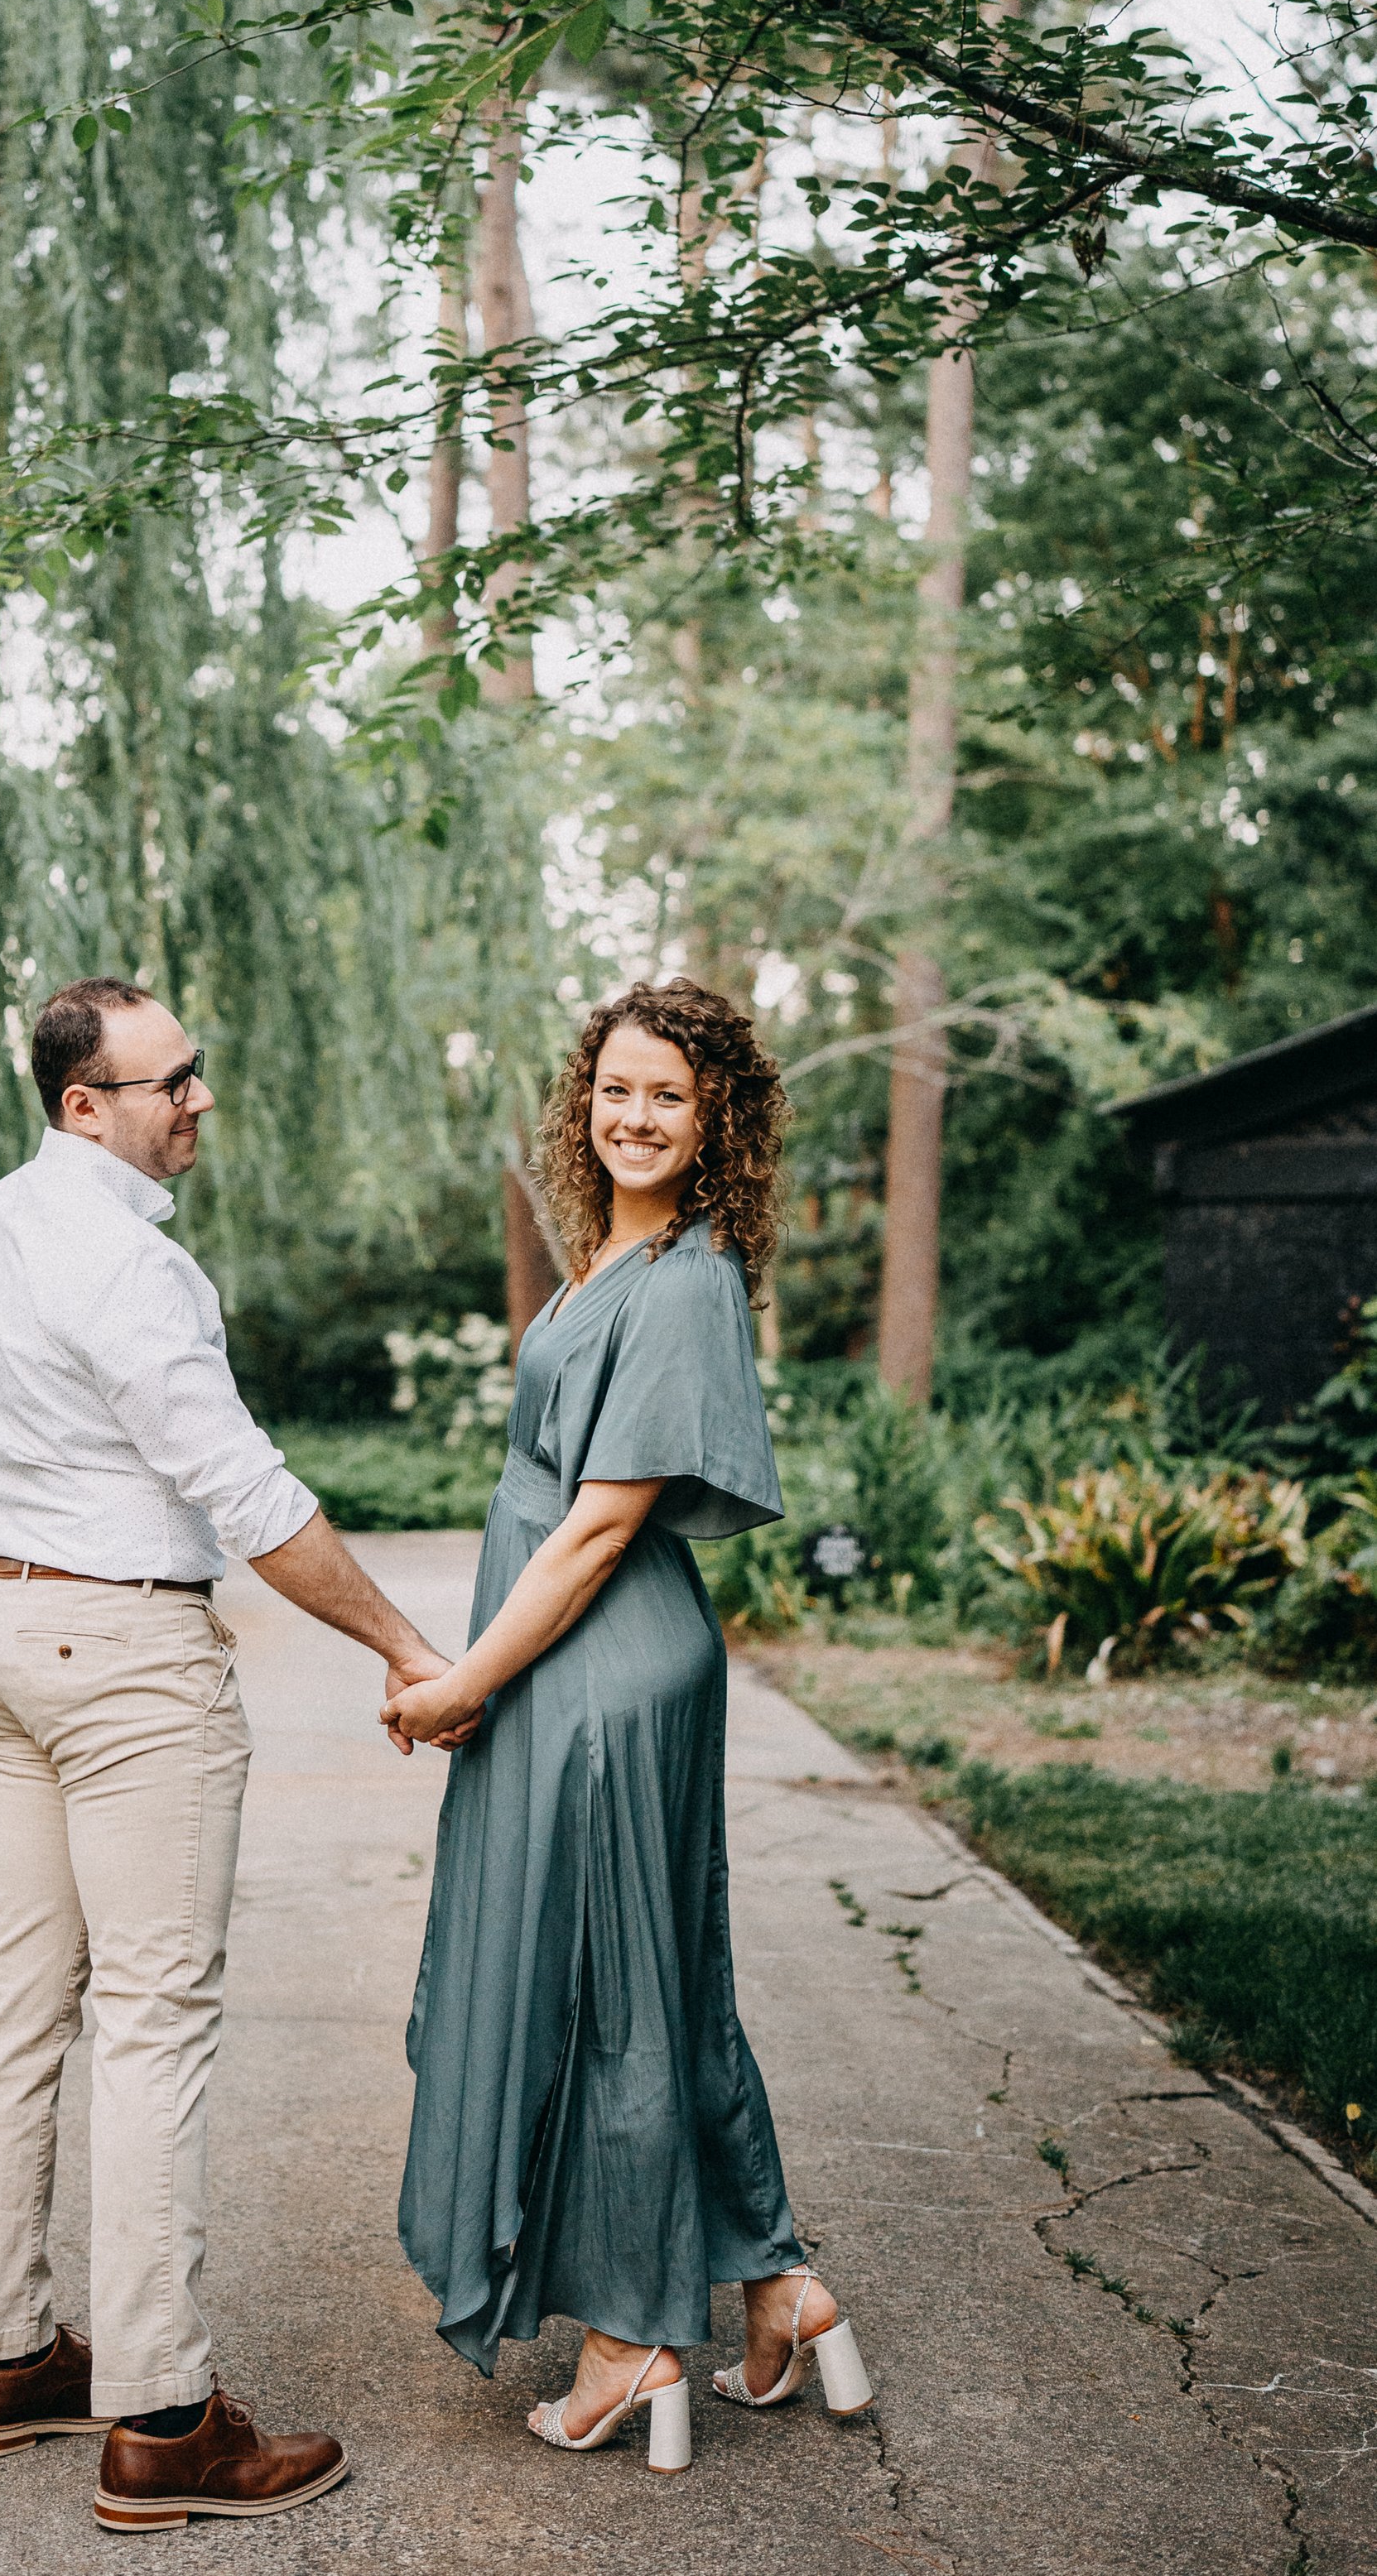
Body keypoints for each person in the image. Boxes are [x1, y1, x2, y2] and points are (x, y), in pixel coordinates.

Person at [0, 974, 455, 2535]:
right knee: (155, 2020)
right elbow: (245, 1489)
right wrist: (408, 1647)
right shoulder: (131, 1262)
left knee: (17, 2005)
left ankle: (4, 2356)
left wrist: (30, 1565)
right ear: (85, 1103)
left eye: (198, 1072)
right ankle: (161, 2416)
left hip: (6, 1637)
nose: (198, 1100)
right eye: (170, 1083)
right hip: (126, 1658)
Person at [384, 978, 873, 2468]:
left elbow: (599, 1531)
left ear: (717, 1113)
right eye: (614, 1087)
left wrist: (466, 1680)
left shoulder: (684, 1279)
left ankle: (630, 2335)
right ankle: (782, 2287)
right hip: (595, 1658)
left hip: (598, 1662)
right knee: (663, 1973)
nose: (634, 1114)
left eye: (667, 1093)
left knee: (609, 1995)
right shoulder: (627, 1254)